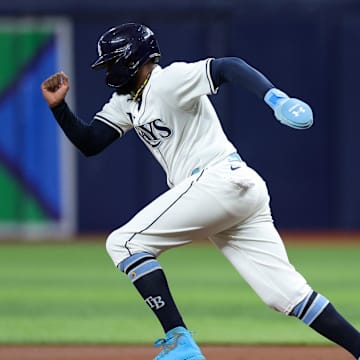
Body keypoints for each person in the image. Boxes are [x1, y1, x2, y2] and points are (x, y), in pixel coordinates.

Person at [41, 23, 360, 360]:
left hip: (217, 179)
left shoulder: (169, 80)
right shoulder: (124, 102)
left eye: (110, 62)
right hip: (233, 189)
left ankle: (180, 341)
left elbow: (228, 66)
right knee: (286, 296)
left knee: (124, 242)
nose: (107, 70)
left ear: (131, 59)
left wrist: (276, 99)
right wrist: (59, 108)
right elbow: (91, 142)